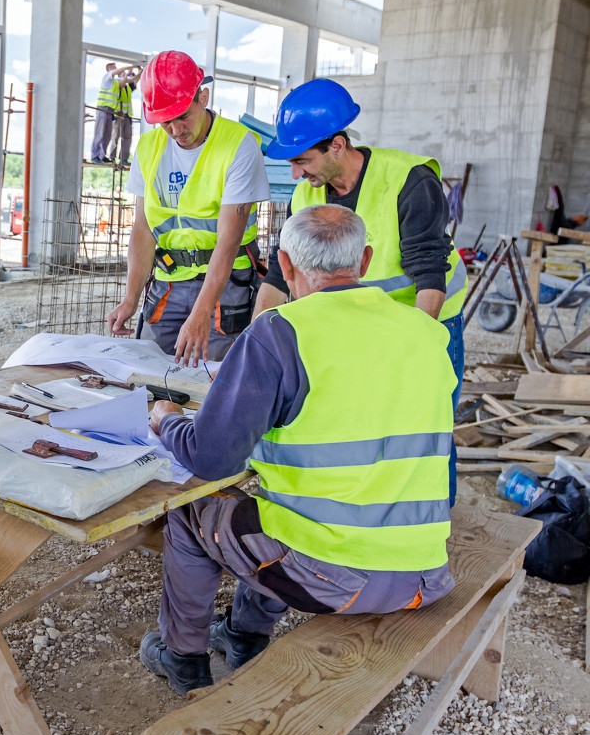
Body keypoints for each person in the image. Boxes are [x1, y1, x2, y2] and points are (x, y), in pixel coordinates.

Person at [138, 204, 457, 696]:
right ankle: (243, 636)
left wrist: (168, 420)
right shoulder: (426, 333)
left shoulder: (279, 332)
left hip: (337, 576)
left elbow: (210, 458)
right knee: (274, 506)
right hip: (424, 571)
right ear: (367, 260)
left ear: (283, 267)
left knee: (192, 510)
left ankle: (183, 658)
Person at [254, 78, 467, 504]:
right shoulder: (304, 195)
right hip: (357, 328)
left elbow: (430, 274)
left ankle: (436, 523)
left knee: (425, 426)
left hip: (423, 322)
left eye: (302, 160)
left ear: (336, 145)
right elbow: (281, 277)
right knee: (368, 422)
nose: (296, 173)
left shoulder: (408, 179)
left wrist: (417, 349)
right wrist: (254, 343)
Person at [106, 50, 270, 365]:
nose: (176, 130)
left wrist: (202, 312)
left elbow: (228, 241)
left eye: (183, 116)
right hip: (169, 281)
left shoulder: (238, 145)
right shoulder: (149, 148)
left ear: (203, 97)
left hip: (226, 286)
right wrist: (130, 300)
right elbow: (143, 229)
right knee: (147, 373)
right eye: (165, 122)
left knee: (212, 378)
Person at [90, 63, 135, 164]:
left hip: (110, 110)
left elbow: (128, 81)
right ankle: (95, 156)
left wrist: (132, 73)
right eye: (114, 66)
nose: (117, 68)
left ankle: (102, 156)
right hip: (103, 108)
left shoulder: (115, 81)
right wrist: (129, 67)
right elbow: (120, 71)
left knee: (107, 135)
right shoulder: (107, 77)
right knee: (100, 133)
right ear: (110, 68)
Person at [107, 65, 141, 168]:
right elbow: (126, 80)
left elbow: (135, 80)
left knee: (127, 138)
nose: (126, 76)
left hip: (127, 116)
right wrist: (128, 72)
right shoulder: (117, 84)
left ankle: (124, 159)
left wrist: (139, 70)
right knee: (115, 137)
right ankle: (112, 157)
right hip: (118, 115)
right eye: (123, 75)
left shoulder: (128, 87)